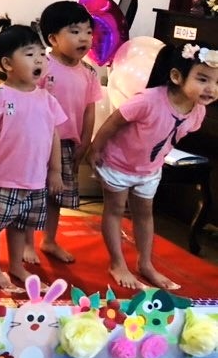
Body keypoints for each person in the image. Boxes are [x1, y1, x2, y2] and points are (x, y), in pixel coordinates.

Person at [88, 42, 218, 290]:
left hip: (149, 170)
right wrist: (95, 149)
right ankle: (117, 263)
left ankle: (145, 263)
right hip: (118, 164)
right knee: (115, 210)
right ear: (177, 76)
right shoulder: (148, 100)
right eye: (203, 79)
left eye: (217, 82)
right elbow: (114, 121)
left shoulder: (197, 112)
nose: (211, 88)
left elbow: (170, 134)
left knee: (145, 214)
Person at [0, 17, 66, 291]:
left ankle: (16, 265)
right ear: (8, 64)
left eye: (42, 54)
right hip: (2, 178)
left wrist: (55, 171)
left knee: (20, 226)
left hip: (34, 181)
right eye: (29, 54)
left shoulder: (48, 99)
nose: (39, 60)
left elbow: (54, 136)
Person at [25, 0, 101, 264]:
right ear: (53, 39)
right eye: (75, 31)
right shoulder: (41, 66)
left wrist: (86, 141)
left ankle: (49, 240)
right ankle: (27, 243)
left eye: (88, 32)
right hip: (39, 142)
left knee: (55, 195)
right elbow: (27, 99)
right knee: (32, 193)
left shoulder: (89, 73)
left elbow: (89, 109)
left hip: (68, 143)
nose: (84, 38)